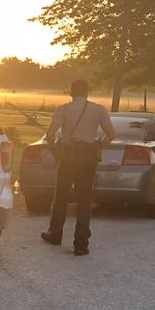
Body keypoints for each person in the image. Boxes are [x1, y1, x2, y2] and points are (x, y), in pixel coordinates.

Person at [41, 78, 114, 256]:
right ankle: (81, 244)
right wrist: (97, 148)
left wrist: (56, 151)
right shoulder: (98, 110)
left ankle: (55, 234)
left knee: (61, 197)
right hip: (88, 156)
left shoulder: (63, 110)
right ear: (87, 93)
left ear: (71, 93)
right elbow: (110, 134)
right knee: (84, 200)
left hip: (68, 155)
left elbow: (50, 134)